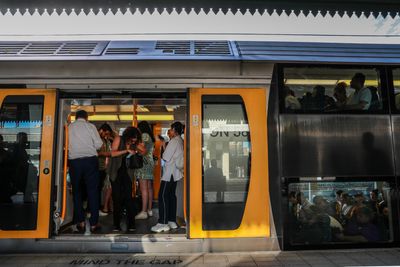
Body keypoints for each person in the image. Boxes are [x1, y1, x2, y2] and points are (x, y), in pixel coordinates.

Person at [68, 110, 103, 233]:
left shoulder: (69, 127)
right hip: (90, 161)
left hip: (74, 162)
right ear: (86, 117)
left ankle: (81, 222)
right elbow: (99, 145)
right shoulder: (90, 126)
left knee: (77, 192)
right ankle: (94, 223)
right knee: (93, 191)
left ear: (76, 117)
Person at [108, 126, 146, 232]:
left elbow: (144, 151)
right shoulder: (118, 139)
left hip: (128, 174)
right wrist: (126, 150)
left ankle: (131, 224)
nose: (134, 140)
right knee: (117, 199)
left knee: (129, 199)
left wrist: (137, 149)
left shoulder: (135, 143)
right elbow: (113, 153)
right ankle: (116, 225)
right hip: (115, 173)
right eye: (133, 138)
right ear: (128, 135)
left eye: (136, 138)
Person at [151, 122, 184, 233]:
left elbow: (165, 157)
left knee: (163, 196)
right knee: (171, 196)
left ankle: (163, 222)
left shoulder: (174, 141)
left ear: (174, 130)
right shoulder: (179, 140)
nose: (169, 131)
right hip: (175, 173)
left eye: (170, 129)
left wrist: (163, 147)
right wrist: (165, 145)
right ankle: (171, 220)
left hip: (169, 173)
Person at [135, 121, 156, 220]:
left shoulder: (144, 135)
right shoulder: (150, 136)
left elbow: (142, 150)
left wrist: (133, 144)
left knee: (143, 188)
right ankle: (149, 209)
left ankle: (143, 211)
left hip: (143, 163)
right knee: (149, 187)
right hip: (150, 163)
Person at [97, 123, 114, 215]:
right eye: (106, 133)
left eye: (108, 134)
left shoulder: (106, 141)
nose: (107, 136)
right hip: (97, 166)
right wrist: (109, 153)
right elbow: (98, 153)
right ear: (101, 131)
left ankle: (102, 207)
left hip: (104, 167)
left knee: (101, 188)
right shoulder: (97, 140)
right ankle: (97, 209)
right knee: (97, 189)